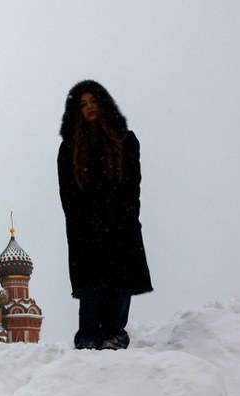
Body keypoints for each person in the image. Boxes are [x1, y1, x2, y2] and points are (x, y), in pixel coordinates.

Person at [57, 80, 153, 350]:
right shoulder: (70, 149)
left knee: (119, 281)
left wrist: (127, 217)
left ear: (103, 103)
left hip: (120, 223)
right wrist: (77, 223)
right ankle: (87, 335)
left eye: (93, 102)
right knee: (92, 285)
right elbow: (67, 193)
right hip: (86, 228)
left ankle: (114, 333)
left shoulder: (125, 141)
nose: (89, 108)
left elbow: (133, 184)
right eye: (83, 105)